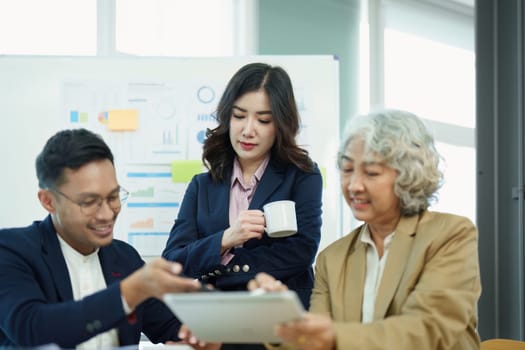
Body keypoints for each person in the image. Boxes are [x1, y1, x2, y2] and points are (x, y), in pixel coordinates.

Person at [249, 109, 482, 350]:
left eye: (371, 173)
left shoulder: (451, 234)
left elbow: (427, 330)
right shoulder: (332, 258)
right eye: (347, 170)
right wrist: (280, 320)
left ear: (408, 175)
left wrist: (335, 337)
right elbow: (315, 342)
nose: (354, 185)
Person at [0, 128, 219, 350]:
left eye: (113, 197)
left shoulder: (125, 258)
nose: (106, 214)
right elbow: (31, 328)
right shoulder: (12, 250)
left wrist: (200, 326)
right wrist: (131, 291)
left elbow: (172, 327)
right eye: (88, 201)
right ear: (48, 201)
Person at [162, 63, 323, 350]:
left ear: (281, 125)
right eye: (239, 116)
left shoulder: (303, 176)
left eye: (263, 120)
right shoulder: (202, 186)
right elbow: (174, 262)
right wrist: (225, 239)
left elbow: (302, 251)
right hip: (216, 327)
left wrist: (223, 270)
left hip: (279, 327)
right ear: (228, 117)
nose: (248, 130)